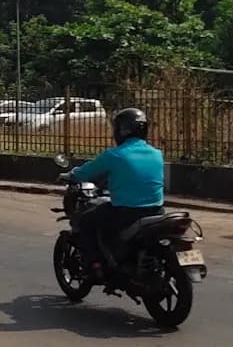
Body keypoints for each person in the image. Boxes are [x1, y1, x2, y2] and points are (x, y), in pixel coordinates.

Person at [69, 107, 164, 269]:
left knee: (86, 220)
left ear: (121, 130)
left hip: (126, 213)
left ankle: (95, 264)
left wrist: (71, 174)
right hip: (157, 211)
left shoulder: (114, 155)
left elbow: (86, 172)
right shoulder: (157, 153)